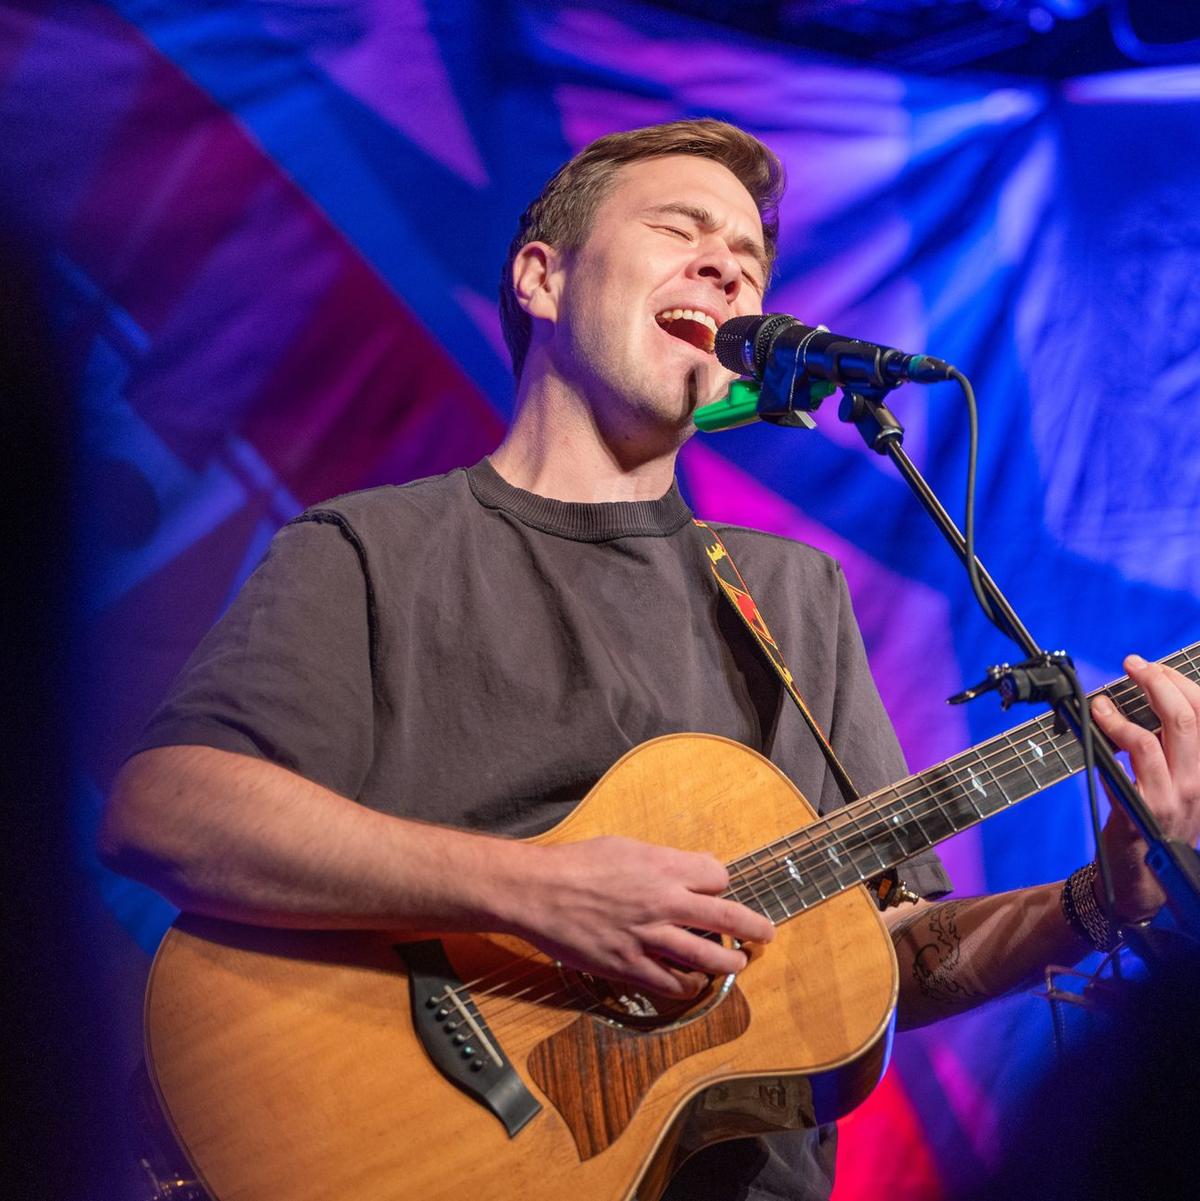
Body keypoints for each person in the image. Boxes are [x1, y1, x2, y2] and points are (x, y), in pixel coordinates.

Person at [99, 119, 1200, 1201]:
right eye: (684, 228)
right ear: (542, 279)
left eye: (751, 261)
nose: (729, 267)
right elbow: (167, 809)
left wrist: (1101, 896)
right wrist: (536, 891)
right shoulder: (371, 548)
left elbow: (886, 958)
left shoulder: (792, 597)